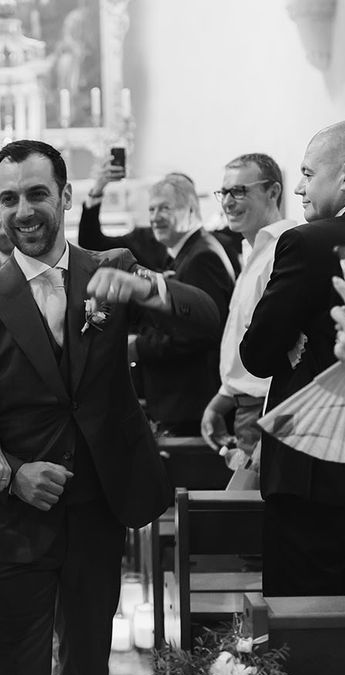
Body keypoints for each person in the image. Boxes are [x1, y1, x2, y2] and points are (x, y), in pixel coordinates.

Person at [0, 140, 220, 675]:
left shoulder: (113, 270)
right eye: (8, 199)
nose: (23, 211)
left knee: (87, 674)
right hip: (14, 524)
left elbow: (207, 320)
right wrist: (11, 472)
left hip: (97, 514)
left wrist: (149, 290)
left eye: (37, 194)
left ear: (65, 195)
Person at [241, 119, 345, 596]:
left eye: (306, 172)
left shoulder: (309, 243)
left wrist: (292, 333)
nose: (299, 187)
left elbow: (256, 353)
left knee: (305, 635)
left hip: (318, 474)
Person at [201, 153, 296, 456]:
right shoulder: (254, 248)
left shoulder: (284, 250)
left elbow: (283, 344)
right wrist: (223, 398)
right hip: (246, 408)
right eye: (225, 192)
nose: (228, 202)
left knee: (247, 501)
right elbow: (244, 338)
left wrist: (270, 422)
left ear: (273, 192)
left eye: (239, 191)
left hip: (268, 412)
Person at [131, 174, 235, 436]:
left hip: (191, 403)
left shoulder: (202, 258)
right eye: (152, 209)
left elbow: (198, 333)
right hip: (181, 402)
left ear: (190, 209)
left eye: (165, 208)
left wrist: (136, 347)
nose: (155, 217)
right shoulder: (186, 254)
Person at [78, 159, 171, 270]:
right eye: (153, 209)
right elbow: (91, 242)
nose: (157, 216)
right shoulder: (141, 239)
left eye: (166, 207)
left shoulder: (195, 247)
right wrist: (97, 190)